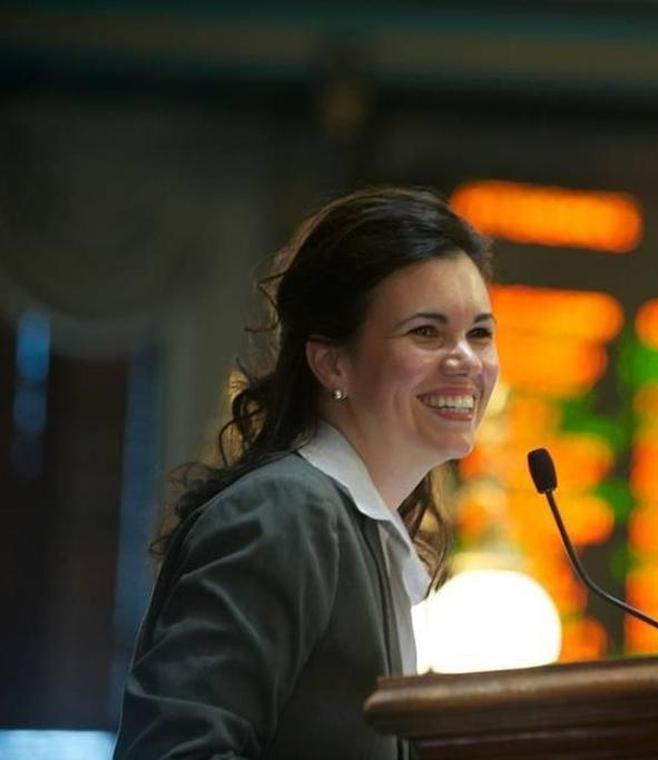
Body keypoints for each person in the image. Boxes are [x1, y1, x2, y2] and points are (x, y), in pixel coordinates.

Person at [114, 186, 499, 759]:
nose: (466, 360)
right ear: (331, 361)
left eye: (480, 333)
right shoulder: (287, 513)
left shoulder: (355, 524)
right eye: (426, 331)